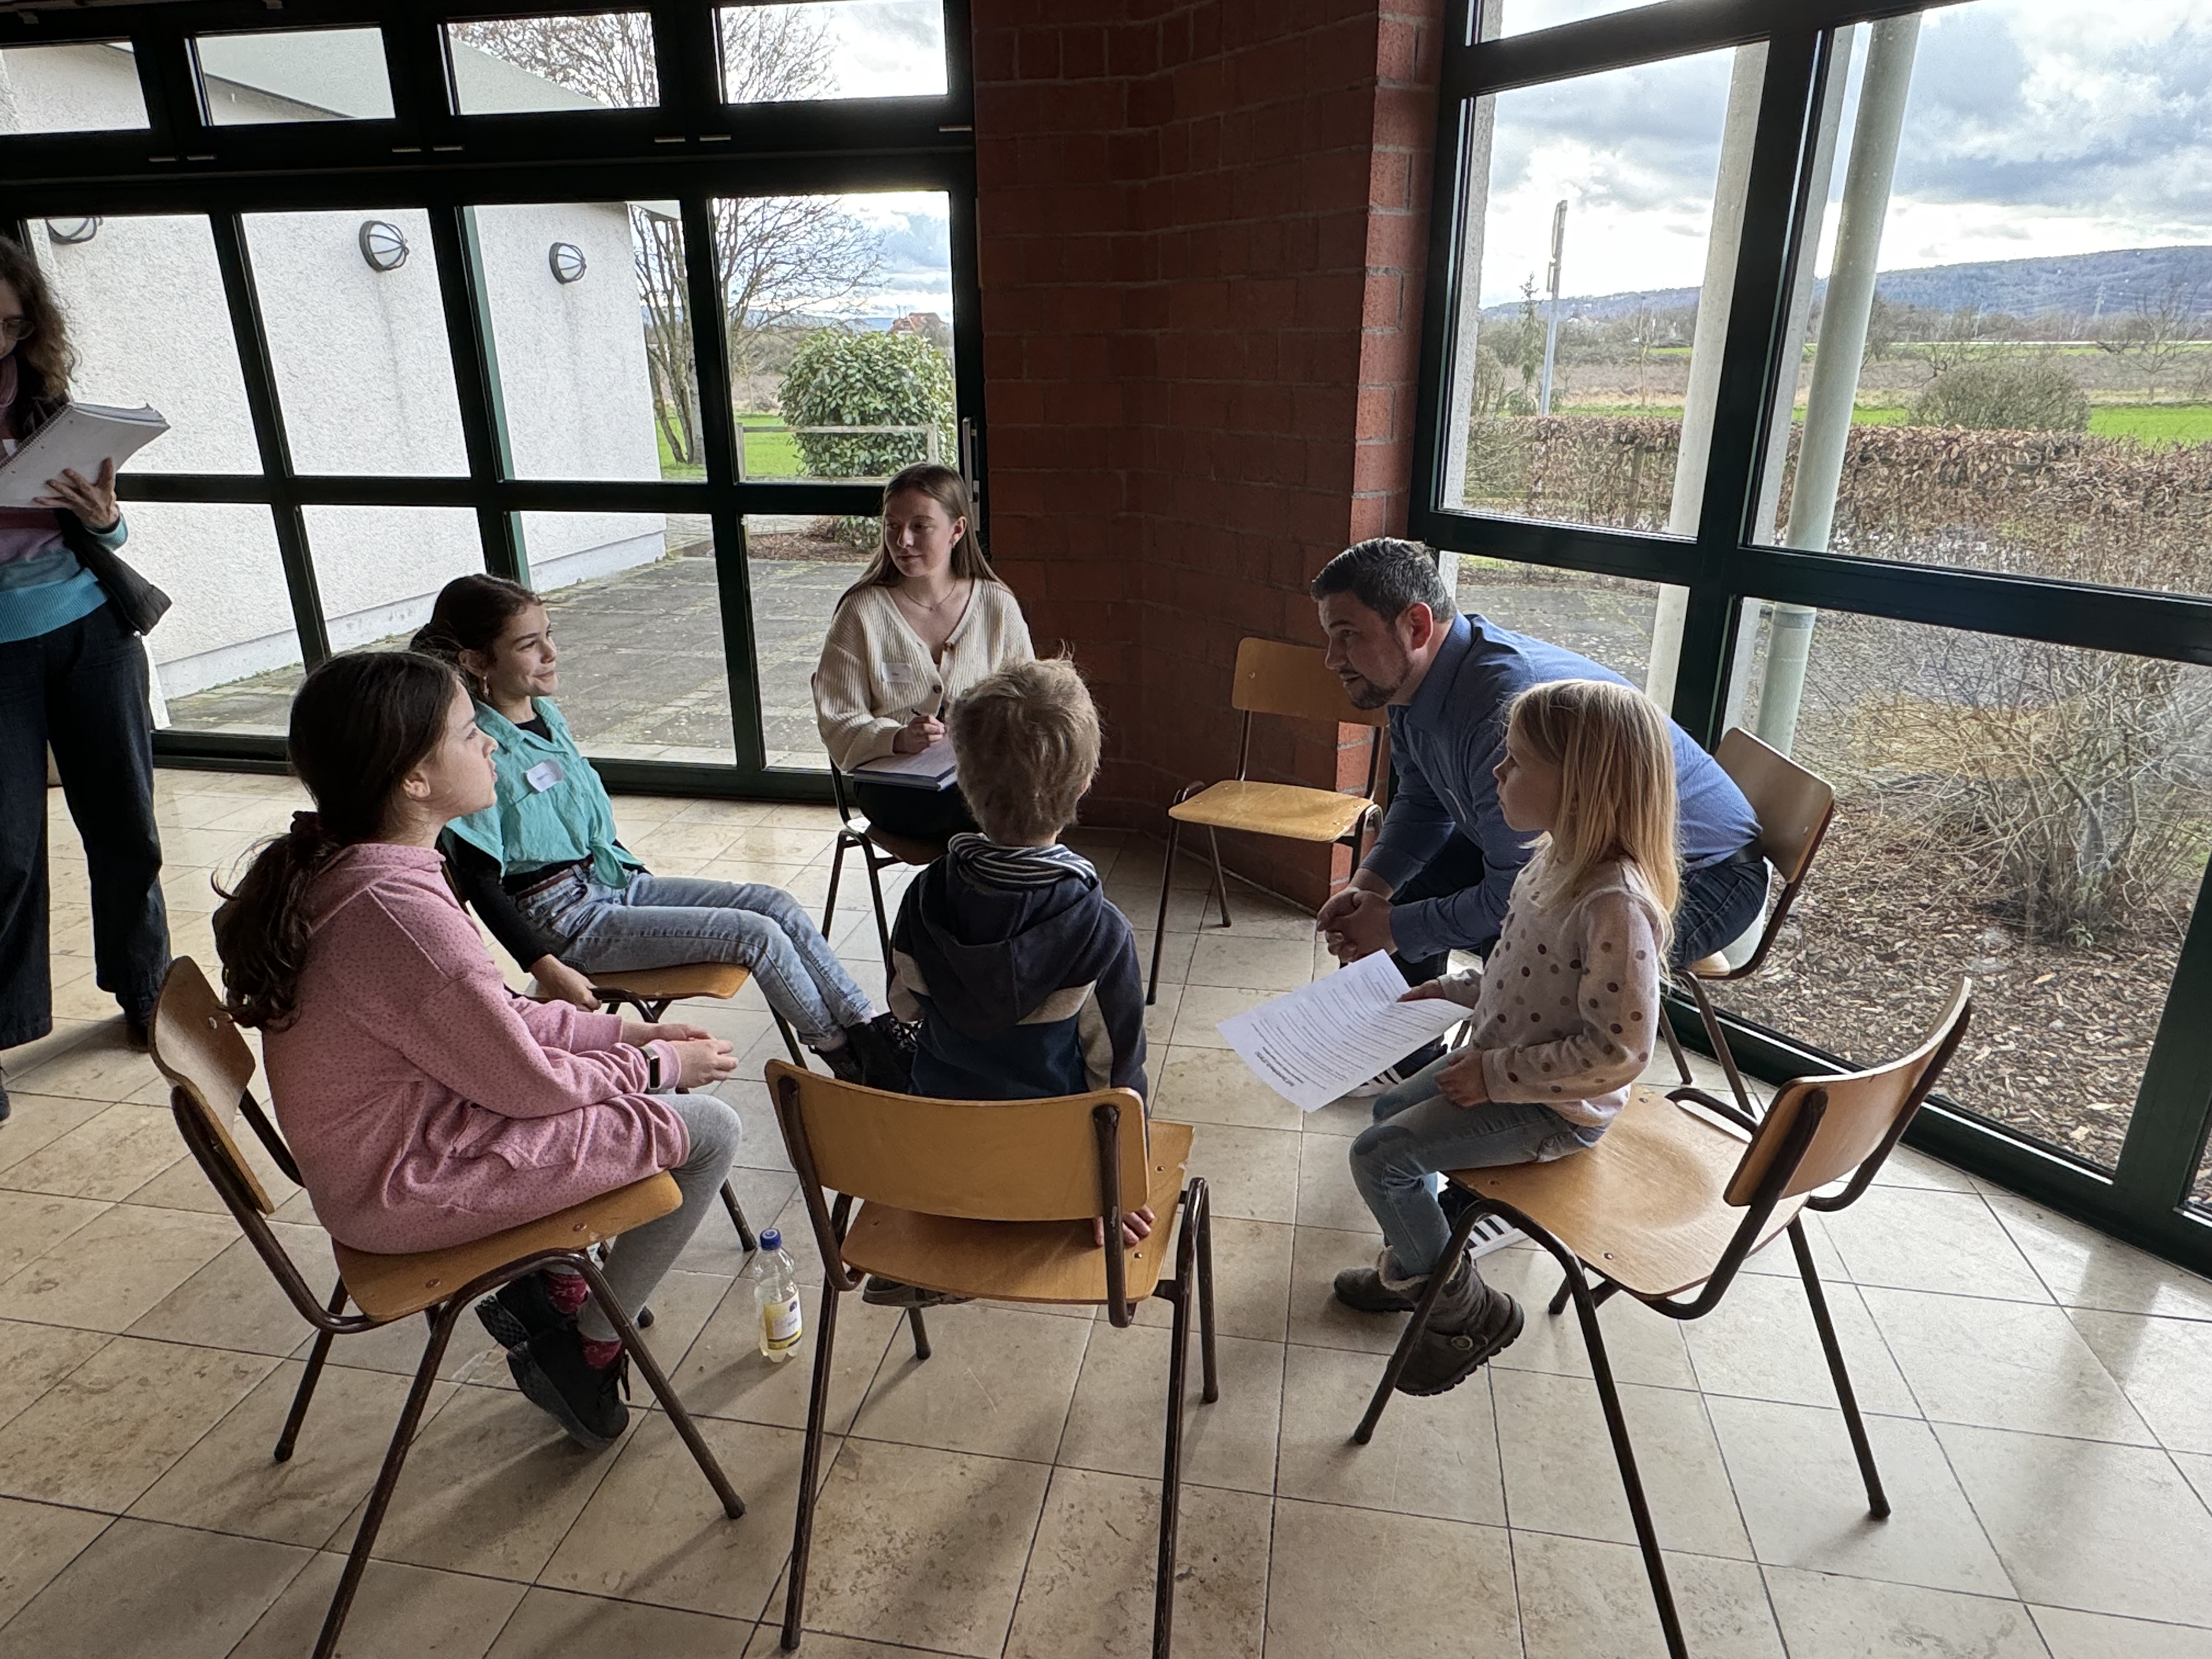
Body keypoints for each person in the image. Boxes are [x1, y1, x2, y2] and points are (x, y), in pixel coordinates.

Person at [212, 650, 743, 1448]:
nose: (492, 742)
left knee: (629, 1089)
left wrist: (625, 1034)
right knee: (711, 1131)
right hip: (407, 1185)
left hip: (397, 1150)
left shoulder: (359, 867)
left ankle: (552, 1286)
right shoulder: (401, 916)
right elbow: (527, 1085)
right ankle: (590, 1351)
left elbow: (493, 1019)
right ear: (414, 780)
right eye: (469, 733)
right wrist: (658, 1065)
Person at [411, 573, 912, 1092]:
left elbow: (583, 818)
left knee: (774, 904)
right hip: (563, 919)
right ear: (477, 661)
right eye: (528, 644)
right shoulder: (477, 750)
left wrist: (659, 899)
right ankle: (851, 1061)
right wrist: (546, 967)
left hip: (613, 881)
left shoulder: (547, 716)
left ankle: (875, 1033)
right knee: (756, 934)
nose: (550, 653)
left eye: (549, 634)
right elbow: (480, 880)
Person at [1334, 678, 1679, 1398]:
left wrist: (1494, 1077)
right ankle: (1421, 1264)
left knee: (1380, 1158)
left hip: (1554, 1109)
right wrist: (1458, 989)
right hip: (1503, 1064)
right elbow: (1523, 968)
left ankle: (1461, 1311)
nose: (1496, 772)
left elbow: (1618, 1053)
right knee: (1385, 1112)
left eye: (1517, 760)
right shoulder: (1550, 859)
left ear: (1579, 787)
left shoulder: (1615, 904)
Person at [1310, 538, 1760, 1082]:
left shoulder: (1500, 706)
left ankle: (1505, 1091)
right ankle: (1402, 1056)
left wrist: (1395, 928)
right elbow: (1424, 802)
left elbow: (1511, 895)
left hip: (1702, 874)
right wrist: (1369, 892)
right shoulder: (1409, 686)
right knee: (1413, 891)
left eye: (1348, 635)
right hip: (1577, 854)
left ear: (1417, 626)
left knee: (1537, 953)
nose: (1332, 659)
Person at [869, 657, 1152, 1309]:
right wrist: (1115, 1191)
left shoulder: (923, 898)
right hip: (1053, 1181)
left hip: (938, 1167)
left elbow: (903, 1006)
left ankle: (945, 1259)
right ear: (1085, 781)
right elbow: (1117, 1079)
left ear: (963, 782)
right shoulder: (1102, 931)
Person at [0, 236, 171, 1120]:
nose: (1, 343)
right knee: (3, 852)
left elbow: (104, 527)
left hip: (90, 628)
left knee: (125, 824)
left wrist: (105, 518)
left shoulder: (44, 405)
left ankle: (145, 988)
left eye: (13, 326)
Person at [811, 462, 1034, 846]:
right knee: (998, 816)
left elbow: (1030, 701)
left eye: (920, 526)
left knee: (1022, 799)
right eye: (892, 526)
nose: (903, 541)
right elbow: (838, 721)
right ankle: (979, 876)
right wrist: (896, 738)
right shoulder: (860, 612)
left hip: (982, 778)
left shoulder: (996, 604)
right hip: (895, 789)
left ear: (957, 531)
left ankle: (982, 876)